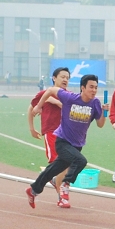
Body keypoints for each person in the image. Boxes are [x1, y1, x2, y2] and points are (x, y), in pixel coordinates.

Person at [26, 74, 108, 209]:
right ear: (83, 88)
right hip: (62, 141)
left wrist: (104, 113)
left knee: (53, 170)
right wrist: (39, 106)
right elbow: (50, 90)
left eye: (96, 87)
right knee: (81, 161)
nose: (94, 90)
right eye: (91, 87)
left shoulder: (95, 103)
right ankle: (65, 184)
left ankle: (33, 190)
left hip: (77, 145)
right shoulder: (70, 98)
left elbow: (100, 124)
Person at [27, 67, 71, 206]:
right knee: (62, 164)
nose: (65, 79)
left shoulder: (69, 95)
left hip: (66, 134)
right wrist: (32, 128)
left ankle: (52, 181)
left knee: (66, 164)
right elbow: (31, 109)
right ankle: (62, 197)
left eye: (67, 78)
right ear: (54, 78)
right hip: (52, 132)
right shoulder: (44, 94)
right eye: (62, 77)